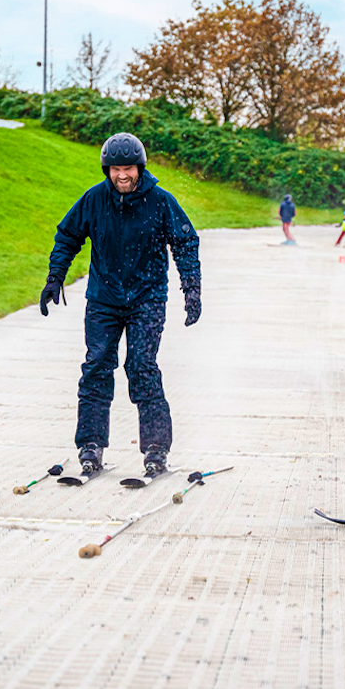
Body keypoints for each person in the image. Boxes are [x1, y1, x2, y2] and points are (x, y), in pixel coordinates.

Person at [40, 132, 202, 479]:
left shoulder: (160, 201)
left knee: (142, 367)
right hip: (103, 299)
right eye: (116, 169)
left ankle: (156, 448)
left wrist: (192, 290)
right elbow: (68, 236)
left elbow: (186, 243)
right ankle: (91, 445)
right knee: (97, 366)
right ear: (107, 170)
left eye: (128, 168)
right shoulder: (94, 199)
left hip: (147, 299)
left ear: (139, 168)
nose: (122, 175)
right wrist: (55, 277)